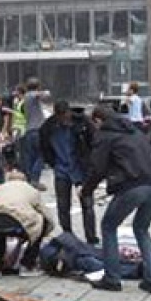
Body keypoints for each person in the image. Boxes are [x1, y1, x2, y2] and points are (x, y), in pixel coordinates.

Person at [82, 106, 151, 294]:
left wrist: (86, 191)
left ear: (98, 120)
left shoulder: (105, 136)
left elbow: (97, 168)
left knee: (108, 226)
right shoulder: (135, 131)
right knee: (142, 229)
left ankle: (112, 278)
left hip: (132, 186)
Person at [40, 100, 99, 245]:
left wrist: (91, 162)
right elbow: (44, 146)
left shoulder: (83, 122)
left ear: (69, 113)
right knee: (63, 205)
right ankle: (68, 235)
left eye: (65, 117)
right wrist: (51, 162)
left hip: (80, 168)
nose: (63, 120)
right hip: (61, 169)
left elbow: (94, 140)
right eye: (60, 118)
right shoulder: (48, 127)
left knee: (87, 204)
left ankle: (91, 237)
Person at [0, 171, 54, 276]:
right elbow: (44, 211)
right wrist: (47, 228)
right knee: (41, 222)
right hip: (16, 221)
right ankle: (27, 264)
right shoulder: (31, 190)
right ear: (25, 180)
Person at [21, 77, 48, 190]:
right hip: (37, 130)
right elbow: (41, 95)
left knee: (30, 157)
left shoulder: (25, 97)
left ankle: (29, 179)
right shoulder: (32, 95)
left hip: (28, 131)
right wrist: (45, 93)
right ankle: (35, 180)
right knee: (41, 155)